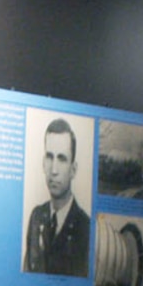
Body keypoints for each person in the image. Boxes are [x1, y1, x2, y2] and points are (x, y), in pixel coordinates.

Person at [23, 118, 90, 277]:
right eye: (49, 157)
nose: (53, 170)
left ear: (73, 169)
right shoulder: (37, 216)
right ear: (43, 163)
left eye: (62, 159)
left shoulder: (86, 228)